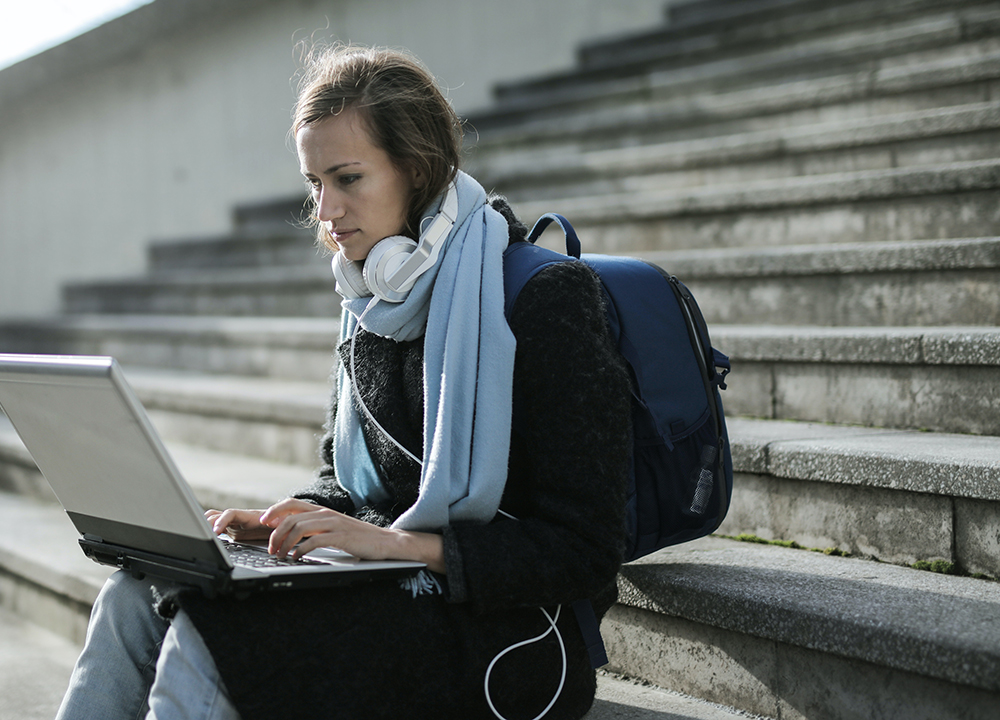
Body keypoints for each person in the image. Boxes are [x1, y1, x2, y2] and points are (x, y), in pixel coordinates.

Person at [54, 45, 632, 720]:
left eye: (348, 178)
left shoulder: (544, 298)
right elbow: (344, 484)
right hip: (385, 585)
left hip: (509, 630)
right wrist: (270, 524)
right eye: (313, 183)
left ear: (415, 171)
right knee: (133, 594)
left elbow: (586, 550)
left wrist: (396, 545)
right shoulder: (370, 301)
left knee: (212, 635)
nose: (325, 210)